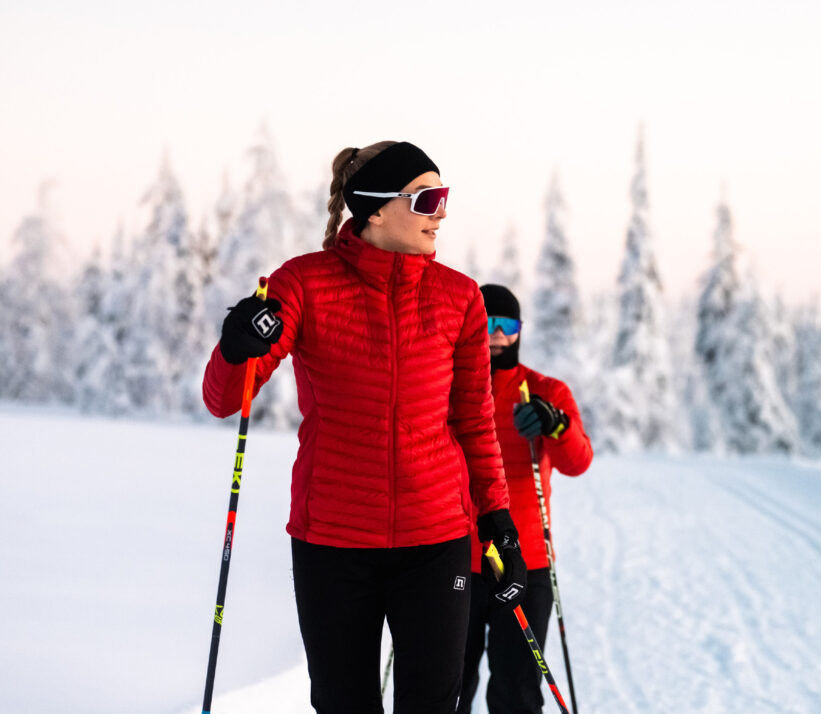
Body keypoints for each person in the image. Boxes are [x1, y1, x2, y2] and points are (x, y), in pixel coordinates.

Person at [202, 141, 528, 714]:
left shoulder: (460, 299)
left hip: (436, 542)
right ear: (375, 209)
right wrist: (236, 345)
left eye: (443, 197)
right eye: (428, 198)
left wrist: (498, 520)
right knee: (342, 704)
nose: (443, 212)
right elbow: (226, 399)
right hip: (333, 541)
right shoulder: (304, 283)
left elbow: (474, 423)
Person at [458, 284, 593, 714]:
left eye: (507, 326)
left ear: (519, 331)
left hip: (526, 562)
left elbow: (578, 461)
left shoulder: (544, 391)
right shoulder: (450, 387)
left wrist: (555, 424)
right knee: (445, 689)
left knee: (516, 692)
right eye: (487, 325)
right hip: (454, 557)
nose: (497, 336)